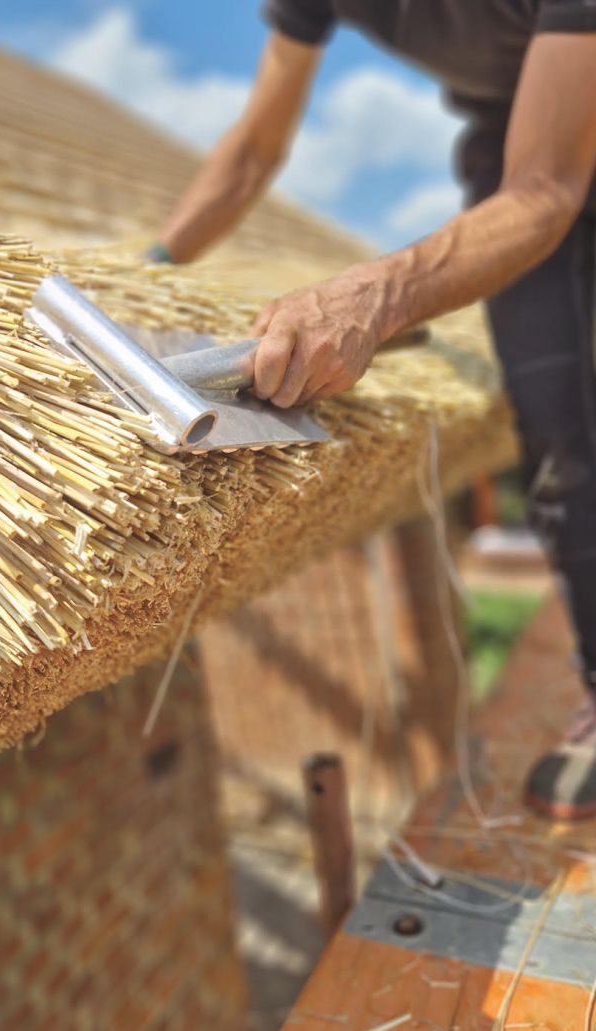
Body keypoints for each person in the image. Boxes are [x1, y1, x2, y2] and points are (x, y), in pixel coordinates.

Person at [146, 1, 596, 821]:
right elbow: (251, 152)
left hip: (553, 153)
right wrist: (150, 264)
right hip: (512, 146)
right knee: (561, 429)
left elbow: (551, 184)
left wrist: (376, 292)